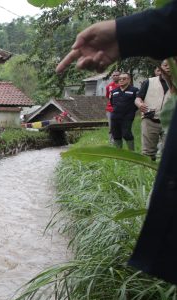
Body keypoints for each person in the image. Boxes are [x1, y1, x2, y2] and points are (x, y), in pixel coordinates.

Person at [56, 0, 177, 283]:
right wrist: (125, 33)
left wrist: (126, 33)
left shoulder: (141, 86)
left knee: (130, 134)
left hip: (141, 118)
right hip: (131, 117)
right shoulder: (133, 88)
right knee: (127, 138)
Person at [135, 59, 172, 160]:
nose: (168, 67)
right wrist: (139, 104)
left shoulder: (175, 83)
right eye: (165, 65)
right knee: (148, 151)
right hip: (150, 119)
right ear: (160, 67)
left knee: (169, 150)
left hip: (170, 122)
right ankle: (148, 171)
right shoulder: (149, 81)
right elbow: (138, 98)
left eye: (171, 65)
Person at [108, 72, 139, 150]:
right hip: (115, 116)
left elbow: (137, 103)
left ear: (129, 80)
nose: (121, 80)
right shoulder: (114, 91)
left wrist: (131, 111)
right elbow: (112, 103)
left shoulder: (134, 90)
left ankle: (131, 152)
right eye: (120, 79)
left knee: (126, 133)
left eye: (124, 79)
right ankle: (119, 153)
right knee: (116, 135)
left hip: (127, 116)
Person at [105, 70, 121, 143]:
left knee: (120, 126)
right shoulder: (109, 86)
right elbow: (108, 97)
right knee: (111, 127)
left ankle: (119, 140)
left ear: (120, 76)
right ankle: (111, 142)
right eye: (113, 75)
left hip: (121, 109)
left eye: (117, 75)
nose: (115, 77)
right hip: (110, 109)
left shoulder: (122, 85)